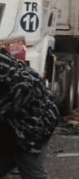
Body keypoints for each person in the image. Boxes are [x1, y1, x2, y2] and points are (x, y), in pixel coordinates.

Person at [0, 48, 59, 179]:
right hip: (14, 125)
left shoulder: (19, 86)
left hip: (32, 128)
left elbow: (5, 109)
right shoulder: (9, 69)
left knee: (31, 169)